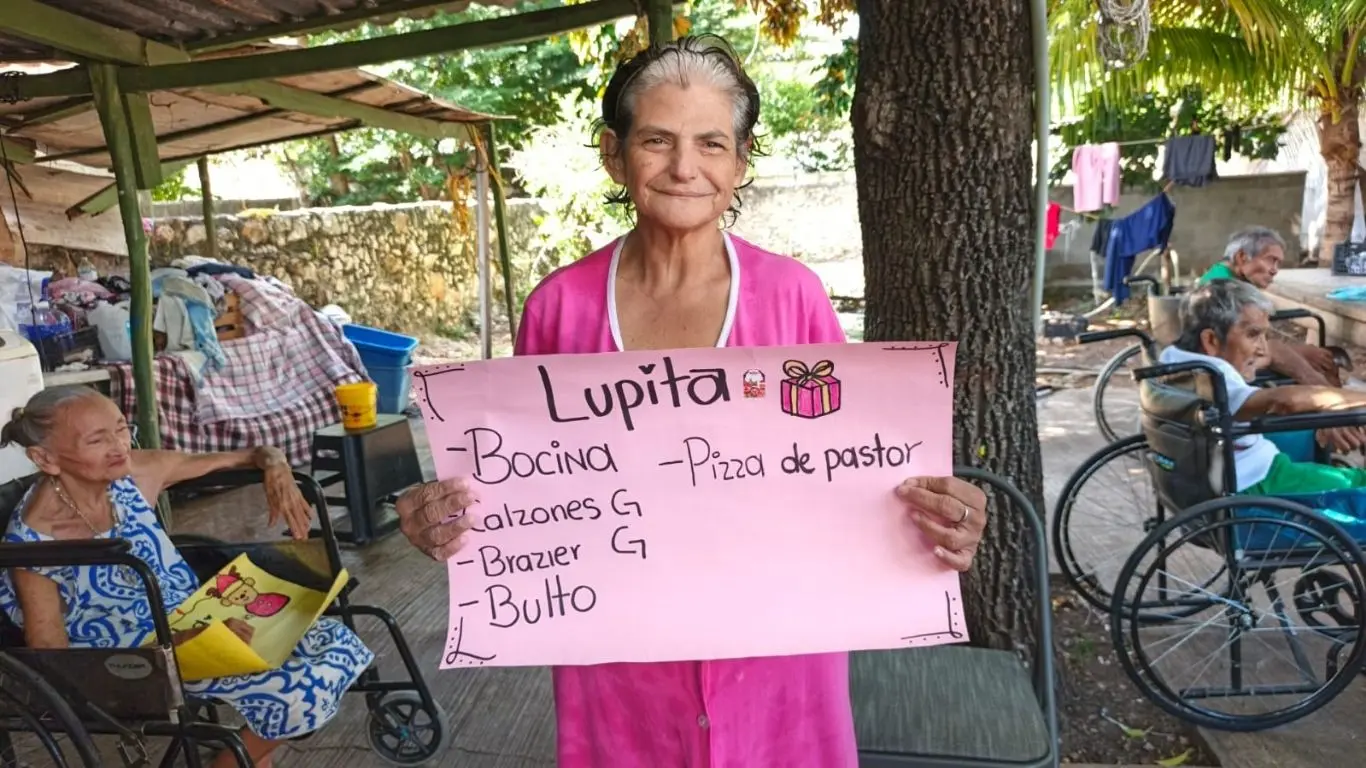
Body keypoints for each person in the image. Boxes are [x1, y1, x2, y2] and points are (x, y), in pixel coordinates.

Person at [392, 36, 988, 768]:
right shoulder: (559, 308)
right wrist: (448, 520)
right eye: (657, 140)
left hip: (780, 669)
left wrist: (941, 519)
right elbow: (520, 493)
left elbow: (854, 470)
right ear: (615, 155)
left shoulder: (793, 299)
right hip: (618, 673)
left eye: (711, 142)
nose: (684, 167)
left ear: (739, 163)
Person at [0, 386, 374, 768]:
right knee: (298, 691)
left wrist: (276, 466)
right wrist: (175, 646)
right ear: (44, 458)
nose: (118, 446)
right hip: (136, 660)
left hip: (198, 616)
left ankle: (249, 756)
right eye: (97, 439)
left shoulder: (135, 473)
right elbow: (52, 654)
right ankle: (232, 762)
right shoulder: (32, 540)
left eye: (120, 429)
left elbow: (253, 454)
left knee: (336, 641)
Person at [1160, 280, 1366, 489]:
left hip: (1219, 471)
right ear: (1211, 340)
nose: (1262, 349)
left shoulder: (1172, 358)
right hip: (1259, 480)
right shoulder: (1216, 378)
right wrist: (1350, 399)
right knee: (1359, 483)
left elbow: (1268, 356)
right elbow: (1285, 401)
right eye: (1253, 335)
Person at [1198, 226, 1340, 386]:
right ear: (1242, 257)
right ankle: (1331, 395)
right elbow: (1240, 345)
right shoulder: (1224, 287)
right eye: (1270, 260)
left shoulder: (1222, 275)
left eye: (1278, 263)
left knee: (1308, 356)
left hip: (1224, 355)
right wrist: (1299, 351)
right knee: (1281, 350)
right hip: (1217, 363)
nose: (1275, 270)